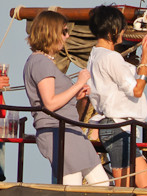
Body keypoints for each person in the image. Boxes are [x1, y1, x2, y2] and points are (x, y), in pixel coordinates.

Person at [23, 10, 110, 186]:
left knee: (101, 183)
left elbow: (55, 99)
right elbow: (50, 103)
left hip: (70, 132)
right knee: (73, 187)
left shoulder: (41, 61)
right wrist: (79, 83)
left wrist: (75, 95)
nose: (67, 36)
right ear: (51, 33)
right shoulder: (41, 63)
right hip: (60, 132)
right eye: (63, 32)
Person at [87, 6, 147, 196]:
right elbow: (136, 89)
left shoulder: (95, 55)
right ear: (111, 32)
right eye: (121, 29)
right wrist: (146, 59)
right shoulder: (110, 58)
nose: (123, 33)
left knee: (146, 184)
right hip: (116, 127)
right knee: (122, 193)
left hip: (119, 128)